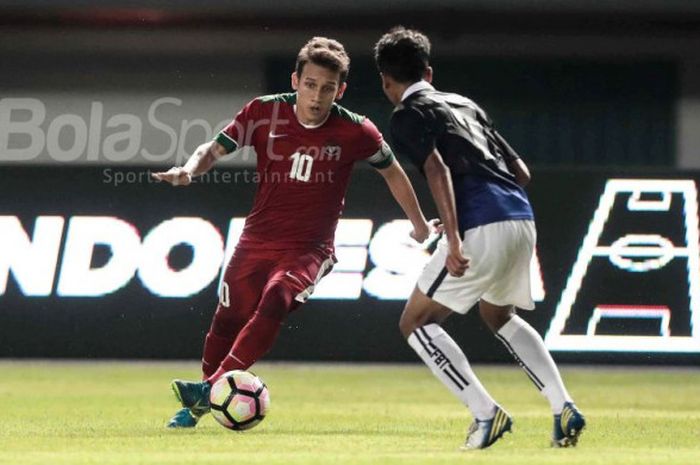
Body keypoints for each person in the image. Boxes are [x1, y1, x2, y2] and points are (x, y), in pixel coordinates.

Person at [153, 36, 433, 428]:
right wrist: (188, 169)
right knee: (227, 319)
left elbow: (393, 172)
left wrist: (419, 225)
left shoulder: (357, 131)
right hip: (255, 241)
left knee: (276, 298)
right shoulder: (263, 112)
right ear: (296, 81)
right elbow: (213, 149)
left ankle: (207, 392)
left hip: (310, 249)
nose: (318, 96)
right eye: (311, 84)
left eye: (328, 88)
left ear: (341, 90)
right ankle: (203, 398)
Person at [373, 27, 586, 450]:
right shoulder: (465, 104)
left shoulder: (406, 115)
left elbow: (437, 170)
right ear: (428, 72)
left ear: (385, 81)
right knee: (498, 315)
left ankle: (485, 413)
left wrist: (454, 239)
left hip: (480, 226)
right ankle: (562, 405)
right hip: (521, 218)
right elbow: (521, 172)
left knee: (415, 322)